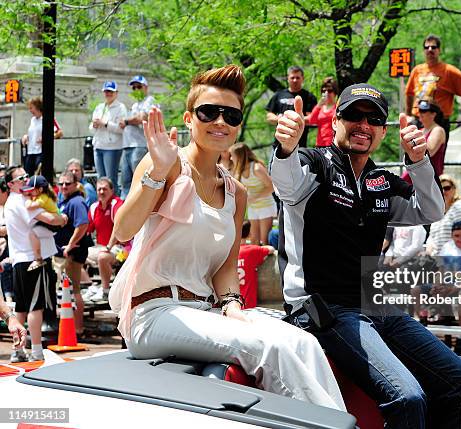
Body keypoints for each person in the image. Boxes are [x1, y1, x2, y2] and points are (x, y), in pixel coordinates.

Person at [109, 65, 345, 411]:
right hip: (154, 313)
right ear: (190, 118)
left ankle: (342, 420)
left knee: (304, 342)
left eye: (231, 115)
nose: (220, 121)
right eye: (209, 112)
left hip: (205, 310)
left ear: (238, 126)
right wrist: (157, 173)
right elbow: (123, 230)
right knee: (271, 349)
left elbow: (223, 267)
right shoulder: (166, 163)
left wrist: (232, 305)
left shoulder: (236, 192)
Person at [271, 83, 461, 428]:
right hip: (324, 309)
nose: (363, 125)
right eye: (353, 115)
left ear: (382, 131)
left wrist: (419, 161)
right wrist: (286, 147)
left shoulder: (382, 180)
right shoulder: (312, 164)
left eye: (374, 119)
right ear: (335, 120)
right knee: (407, 396)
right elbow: (286, 184)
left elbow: (432, 210)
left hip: (374, 304)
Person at [5, 166, 65, 362]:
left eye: (26, 176)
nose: (26, 180)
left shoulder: (13, 202)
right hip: (32, 259)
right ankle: (36, 350)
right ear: (10, 184)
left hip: (21, 260)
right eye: (21, 178)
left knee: (21, 309)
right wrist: (62, 218)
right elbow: (49, 218)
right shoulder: (21, 201)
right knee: (34, 307)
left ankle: (18, 350)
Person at [405, 34, 461, 143]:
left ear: (439, 50)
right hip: (419, 120)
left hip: (438, 121)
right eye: (427, 47)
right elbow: (409, 93)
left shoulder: (448, 70)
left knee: (433, 157)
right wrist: (408, 115)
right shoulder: (417, 70)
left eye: (433, 47)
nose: (430, 50)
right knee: (414, 156)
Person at [414, 221, 461, 326]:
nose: (460, 239)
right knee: (416, 290)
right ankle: (421, 324)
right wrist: (436, 285)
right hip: (449, 284)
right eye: (456, 236)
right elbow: (441, 271)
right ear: (452, 236)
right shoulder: (447, 246)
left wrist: (453, 288)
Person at [54, 171, 95, 334]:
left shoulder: (77, 201)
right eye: (61, 183)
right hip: (64, 252)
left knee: (74, 290)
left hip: (72, 254)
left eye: (67, 184)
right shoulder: (64, 200)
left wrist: (70, 245)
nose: (64, 186)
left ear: (75, 185)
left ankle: (78, 328)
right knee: (67, 291)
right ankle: (73, 327)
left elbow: (83, 225)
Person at [85, 177, 124, 302]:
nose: (101, 192)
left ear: (112, 191)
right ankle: (91, 287)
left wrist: (109, 247)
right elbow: (86, 229)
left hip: (121, 248)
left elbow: (118, 227)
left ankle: (105, 291)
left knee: (102, 257)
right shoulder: (94, 207)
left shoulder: (116, 204)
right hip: (101, 247)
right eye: (99, 189)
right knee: (73, 254)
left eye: (105, 189)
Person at [119, 75, 158, 199]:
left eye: (139, 86)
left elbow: (142, 118)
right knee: (126, 182)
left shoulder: (150, 100)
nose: (136, 89)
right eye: (134, 87)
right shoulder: (135, 105)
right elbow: (136, 118)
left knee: (140, 180)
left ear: (146, 87)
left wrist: (126, 121)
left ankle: (142, 206)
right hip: (128, 145)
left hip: (140, 146)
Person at [229, 143, 276, 245]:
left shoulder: (256, 168)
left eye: (232, 155)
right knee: (254, 240)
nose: (231, 158)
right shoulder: (239, 171)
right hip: (253, 208)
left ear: (239, 156)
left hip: (266, 206)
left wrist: (254, 198)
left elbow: (272, 187)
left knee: (264, 241)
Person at [266, 66, 317, 149]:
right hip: (278, 144)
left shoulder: (309, 97)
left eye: (297, 77)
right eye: (292, 77)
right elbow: (269, 116)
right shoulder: (278, 95)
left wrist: (296, 120)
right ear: (287, 78)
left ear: (302, 78)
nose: (295, 80)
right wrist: (280, 119)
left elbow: (312, 118)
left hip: (300, 146)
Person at [425, 174, 461, 256]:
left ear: (454, 189)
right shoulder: (438, 210)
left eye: (447, 188)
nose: (443, 191)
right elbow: (432, 236)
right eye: (439, 188)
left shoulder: (460, 207)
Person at [90, 81, 127, 187]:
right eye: (106, 91)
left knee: (111, 180)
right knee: (101, 179)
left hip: (112, 148)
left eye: (111, 91)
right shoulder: (99, 107)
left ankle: (115, 203)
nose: (108, 94)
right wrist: (94, 125)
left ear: (116, 93)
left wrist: (105, 124)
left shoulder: (121, 108)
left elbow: (121, 129)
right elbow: (91, 128)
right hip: (98, 146)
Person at [22, 175, 60, 272]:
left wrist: (27, 199)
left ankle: (38, 258)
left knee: (32, 233)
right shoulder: (39, 195)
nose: (29, 192)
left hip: (53, 225)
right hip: (48, 223)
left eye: (32, 190)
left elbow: (30, 207)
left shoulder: (43, 197)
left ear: (40, 189)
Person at [20, 97, 63, 176]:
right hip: (31, 151)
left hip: (41, 152)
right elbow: (32, 132)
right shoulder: (32, 120)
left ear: (37, 107)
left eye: (31, 108)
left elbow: (59, 133)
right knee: (28, 173)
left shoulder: (47, 118)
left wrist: (47, 137)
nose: (30, 110)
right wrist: (26, 136)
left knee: (40, 171)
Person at [238, 220, 275, 309]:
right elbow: (271, 249)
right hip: (248, 304)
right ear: (250, 234)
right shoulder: (252, 250)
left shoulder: (230, 252)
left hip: (231, 304)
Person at [416, 100, 446, 177]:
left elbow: (430, 151)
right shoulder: (420, 131)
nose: (420, 113)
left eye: (423, 111)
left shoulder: (438, 130)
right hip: (417, 172)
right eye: (419, 110)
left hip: (431, 177)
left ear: (433, 114)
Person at [307, 77, 338, 148]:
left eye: (330, 91)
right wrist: (319, 105)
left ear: (335, 93)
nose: (326, 93)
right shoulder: (319, 108)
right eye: (324, 91)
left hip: (333, 145)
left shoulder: (338, 108)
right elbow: (311, 121)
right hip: (320, 144)